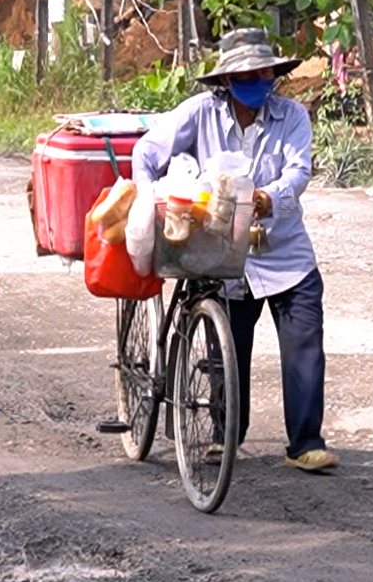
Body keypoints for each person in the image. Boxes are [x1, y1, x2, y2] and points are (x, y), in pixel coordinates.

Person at [131, 27, 338, 473]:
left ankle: (305, 443)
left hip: (284, 252)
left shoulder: (292, 116)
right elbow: (148, 151)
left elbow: (299, 171)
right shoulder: (199, 114)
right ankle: (225, 434)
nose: (256, 80)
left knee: (304, 343)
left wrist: (270, 197)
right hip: (220, 254)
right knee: (227, 352)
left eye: (263, 72)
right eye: (245, 74)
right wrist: (147, 198)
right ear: (226, 80)